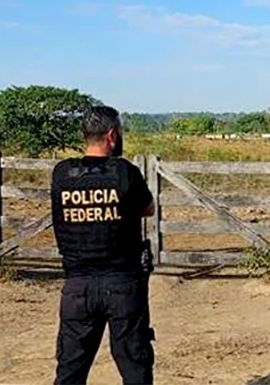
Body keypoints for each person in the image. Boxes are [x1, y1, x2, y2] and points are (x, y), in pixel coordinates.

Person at [50, 105, 156, 385]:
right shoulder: (125, 172)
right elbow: (148, 208)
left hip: (76, 288)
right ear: (112, 135)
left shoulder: (62, 174)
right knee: (135, 367)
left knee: (70, 371)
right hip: (123, 284)